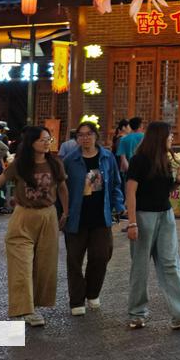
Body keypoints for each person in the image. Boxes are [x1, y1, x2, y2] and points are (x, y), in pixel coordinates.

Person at [0, 126, 68, 327]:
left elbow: (62, 188)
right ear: (32, 142)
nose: (46, 143)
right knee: (21, 264)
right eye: (43, 140)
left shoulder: (55, 163)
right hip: (23, 216)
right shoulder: (20, 164)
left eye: (48, 140)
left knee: (45, 265)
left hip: (48, 215)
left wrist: (66, 212)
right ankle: (26, 309)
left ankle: (37, 303)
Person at [124, 121, 180, 330]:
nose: (172, 138)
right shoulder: (139, 160)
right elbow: (130, 192)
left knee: (170, 262)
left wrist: (178, 181)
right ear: (159, 137)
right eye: (169, 135)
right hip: (143, 217)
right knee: (140, 265)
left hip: (165, 215)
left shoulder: (165, 160)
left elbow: (164, 191)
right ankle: (137, 313)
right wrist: (131, 222)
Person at [62, 121, 123, 316]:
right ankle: (77, 300)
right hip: (76, 217)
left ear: (96, 136)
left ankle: (92, 292)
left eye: (88, 134)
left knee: (101, 256)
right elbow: (62, 190)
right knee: (74, 260)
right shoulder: (70, 160)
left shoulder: (107, 157)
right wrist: (61, 212)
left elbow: (115, 183)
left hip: (100, 216)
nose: (85, 138)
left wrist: (118, 205)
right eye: (80, 135)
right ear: (77, 138)